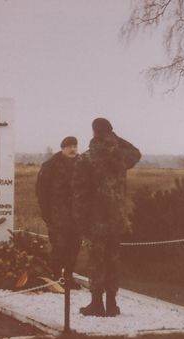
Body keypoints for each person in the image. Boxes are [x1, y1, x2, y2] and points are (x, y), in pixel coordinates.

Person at [72, 118, 141, 316]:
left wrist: (80, 220)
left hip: (95, 220)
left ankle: (96, 303)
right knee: (113, 259)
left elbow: (79, 193)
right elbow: (137, 152)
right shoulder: (121, 157)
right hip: (116, 219)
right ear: (110, 132)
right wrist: (115, 138)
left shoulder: (86, 158)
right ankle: (112, 304)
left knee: (96, 261)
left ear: (94, 132)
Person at [36, 136, 82, 288]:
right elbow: (41, 191)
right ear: (62, 148)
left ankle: (68, 277)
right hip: (57, 216)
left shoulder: (82, 164)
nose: (72, 149)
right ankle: (56, 278)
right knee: (59, 247)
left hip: (77, 216)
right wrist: (47, 214)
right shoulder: (51, 165)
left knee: (74, 247)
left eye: (74, 146)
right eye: (69, 146)